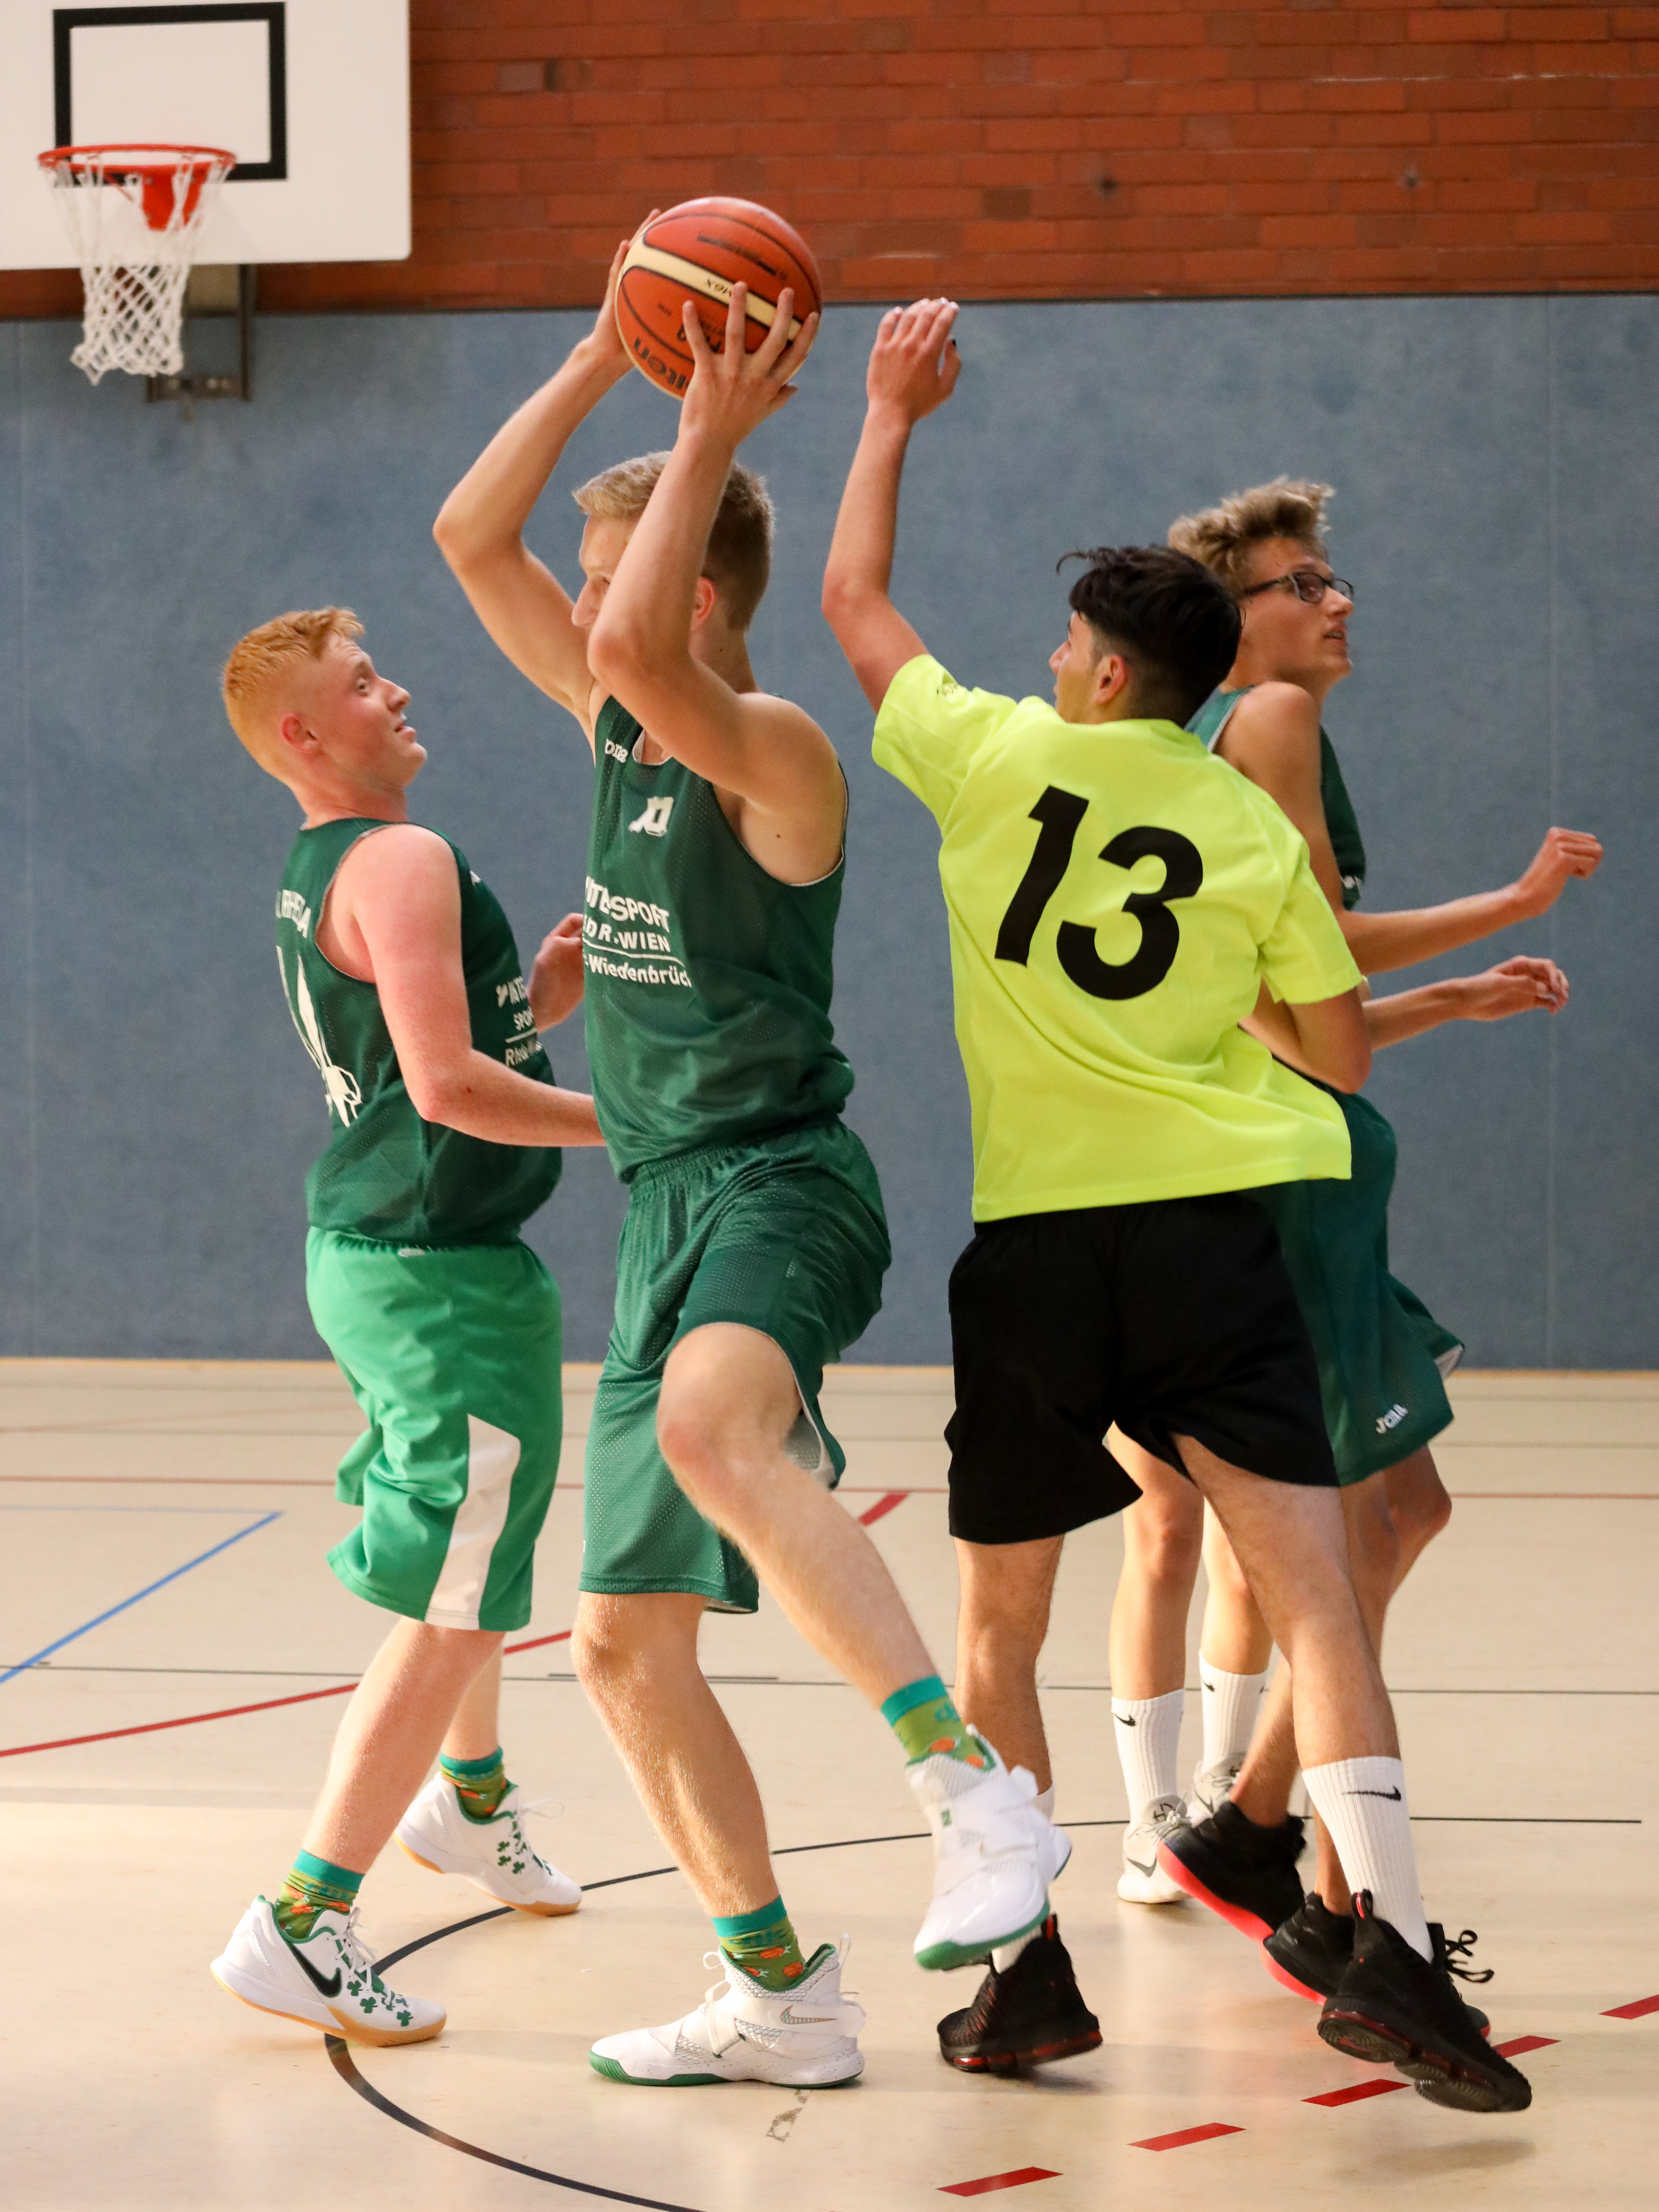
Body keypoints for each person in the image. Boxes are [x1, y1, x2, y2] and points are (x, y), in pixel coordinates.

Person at [821, 296, 1531, 2113]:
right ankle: (1389, 1950)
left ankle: (1022, 1977)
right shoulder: (1240, 823)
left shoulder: (989, 756)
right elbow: (1336, 1053)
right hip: (1222, 1234)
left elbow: (853, 603)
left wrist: (889, 412)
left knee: (1001, 1624)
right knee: (1317, 1600)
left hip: (1040, 1248)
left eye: (1065, 642)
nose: (1052, 659)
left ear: (1101, 672)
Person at [433, 257, 1059, 2090]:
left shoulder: (774, 753)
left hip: (784, 1183)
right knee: (621, 1650)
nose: (577, 606)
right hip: (665, 1216)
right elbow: (470, 538)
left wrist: (708, 427)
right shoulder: (619, 721)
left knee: (717, 1431)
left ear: (693, 589)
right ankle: (778, 1994)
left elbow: (629, 644)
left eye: (609, 572)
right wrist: (598, 351)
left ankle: (974, 1790)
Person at [1109, 480, 1600, 2009]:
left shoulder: (1258, 737)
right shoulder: (1266, 719)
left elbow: (1286, 994)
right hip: (1274, 1183)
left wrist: (1448, 993)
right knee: (1334, 1545)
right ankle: (1307, 1874)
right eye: (1302, 583)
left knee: (1394, 1520)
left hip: (1283, 1159)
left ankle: (1261, 1828)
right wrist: (1507, 902)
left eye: (1332, 578)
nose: (1337, 601)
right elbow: (1309, 983)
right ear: (1234, 618)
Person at [209, 608, 605, 2044]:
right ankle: (303, 1920)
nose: (399, 691)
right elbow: (446, 1092)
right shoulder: (402, 858)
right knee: (454, 1597)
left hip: (401, 1256)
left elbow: (410, 1054)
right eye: (364, 685)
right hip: (431, 1271)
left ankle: (472, 1804)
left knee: (477, 1560)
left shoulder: (331, 865)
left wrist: (537, 997)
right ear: (303, 736)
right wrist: (644, 1125)